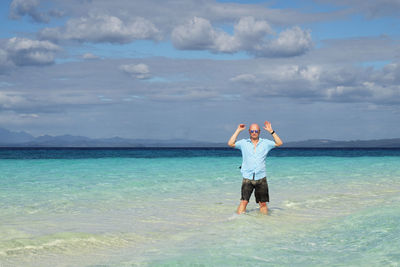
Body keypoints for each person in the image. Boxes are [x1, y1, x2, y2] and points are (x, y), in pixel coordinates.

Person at [228, 121, 283, 215]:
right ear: (249, 131)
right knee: (244, 202)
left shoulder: (265, 143)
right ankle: (238, 223)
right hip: (247, 177)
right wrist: (238, 130)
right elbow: (230, 143)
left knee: (263, 204)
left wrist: (271, 131)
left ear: (259, 132)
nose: (254, 133)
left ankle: (264, 224)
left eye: (256, 131)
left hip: (261, 177)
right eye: (252, 131)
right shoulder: (243, 143)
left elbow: (279, 143)